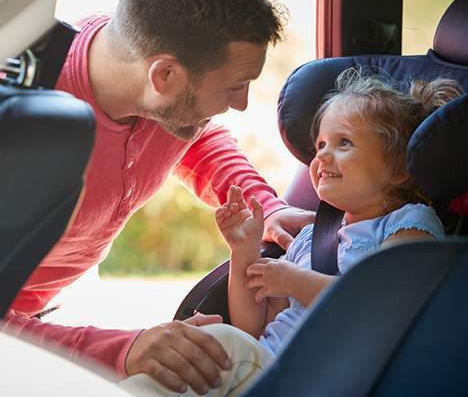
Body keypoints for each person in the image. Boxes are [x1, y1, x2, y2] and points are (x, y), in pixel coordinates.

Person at [2, 0, 315, 396]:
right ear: (164, 76)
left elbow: (195, 137)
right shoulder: (19, 125)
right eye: (234, 87)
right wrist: (122, 349)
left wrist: (263, 204)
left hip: (44, 314)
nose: (241, 104)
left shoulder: (164, 99)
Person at [121, 69, 463, 395]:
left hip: (324, 377)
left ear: (400, 167)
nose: (323, 156)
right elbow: (254, 327)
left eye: (344, 143)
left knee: (217, 347)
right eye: (320, 145)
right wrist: (244, 253)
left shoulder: (408, 223)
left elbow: (386, 308)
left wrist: (292, 280)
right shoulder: (309, 239)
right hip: (266, 367)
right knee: (196, 346)